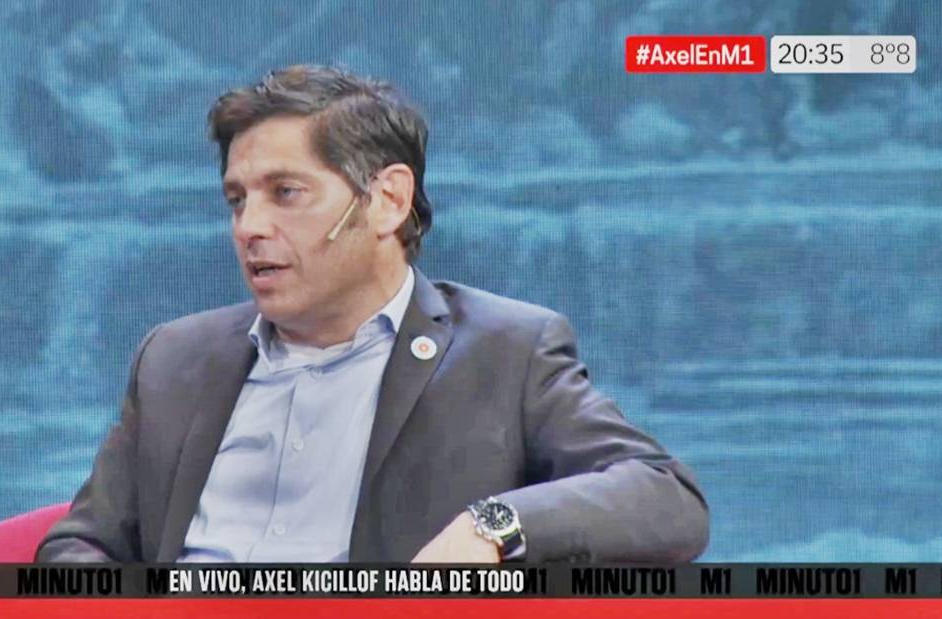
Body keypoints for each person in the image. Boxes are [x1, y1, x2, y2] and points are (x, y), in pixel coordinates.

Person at [37, 65, 708, 564]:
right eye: (238, 200)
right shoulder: (176, 357)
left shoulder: (506, 352)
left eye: (285, 193)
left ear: (387, 200)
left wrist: (492, 527)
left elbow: (664, 495)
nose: (249, 226)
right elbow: (82, 544)